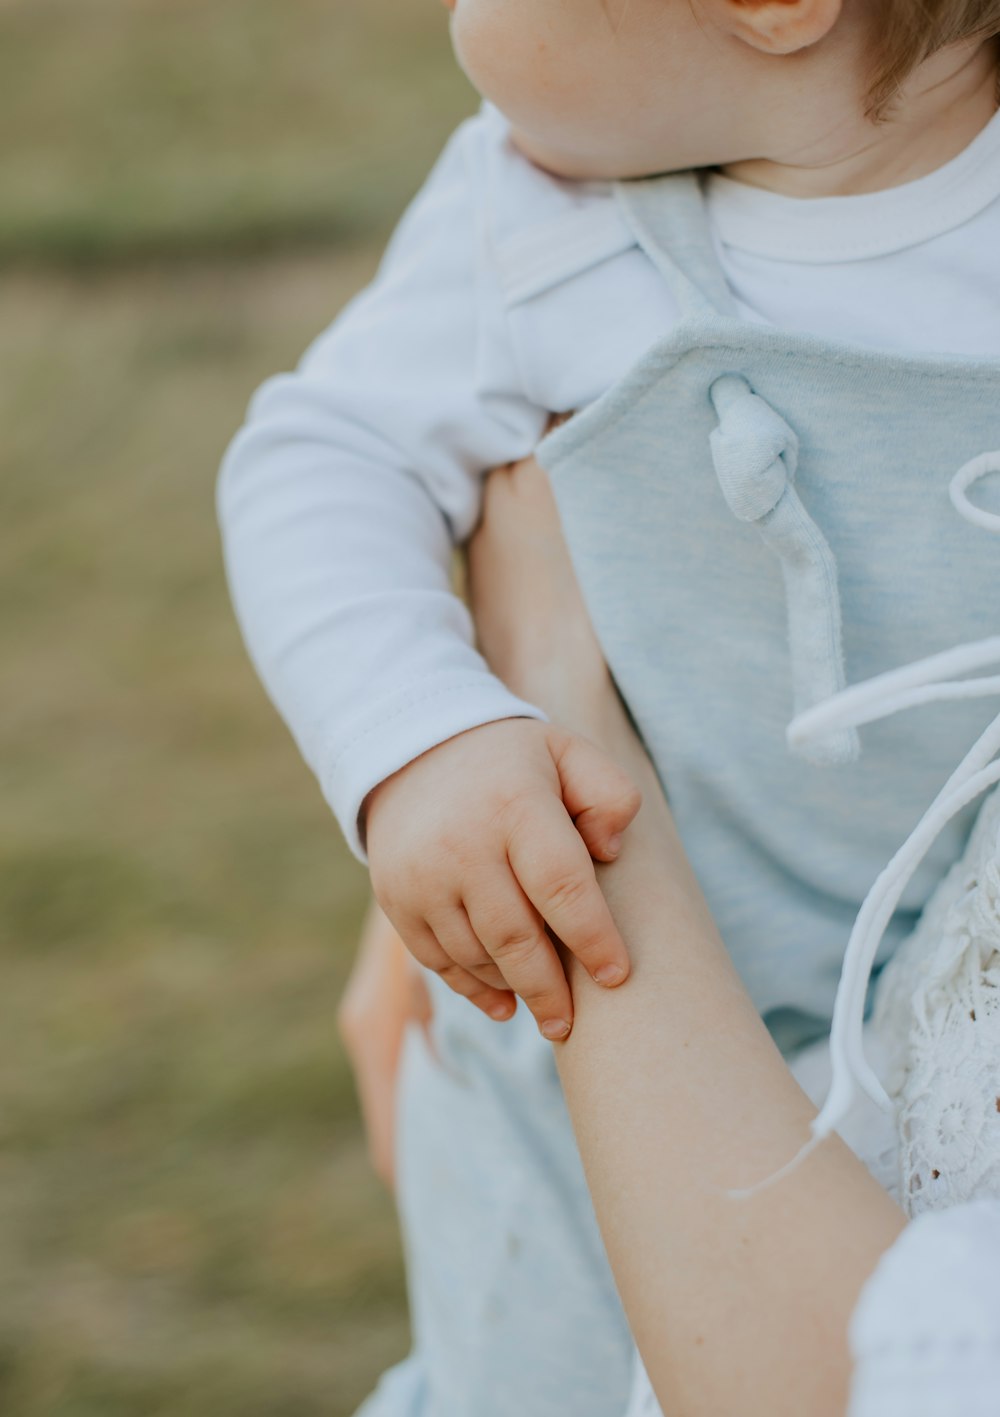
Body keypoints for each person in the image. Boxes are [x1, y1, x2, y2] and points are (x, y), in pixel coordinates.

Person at [217, 0, 1000, 1409]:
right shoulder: (542, 221)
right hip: (570, 1011)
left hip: (910, 1118)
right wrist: (429, 736)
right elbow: (321, 459)